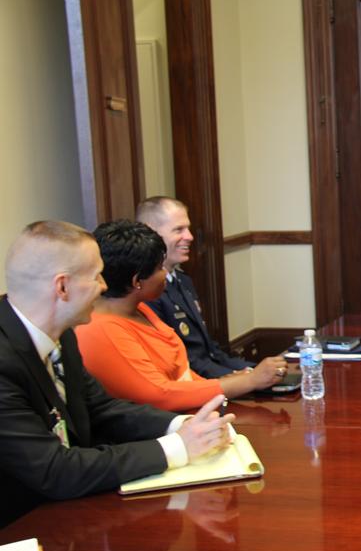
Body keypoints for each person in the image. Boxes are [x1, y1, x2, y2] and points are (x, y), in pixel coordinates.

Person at [0, 220, 234, 527]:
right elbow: (55, 470)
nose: (104, 286)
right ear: (62, 287)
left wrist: (183, 424)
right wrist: (178, 447)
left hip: (69, 515)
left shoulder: (63, 334)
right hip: (20, 531)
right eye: (96, 276)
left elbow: (101, 408)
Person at [75, 220, 286, 411]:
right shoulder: (101, 329)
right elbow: (160, 395)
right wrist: (249, 382)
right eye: (159, 268)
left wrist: (234, 381)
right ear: (137, 281)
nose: (166, 275)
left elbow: (183, 376)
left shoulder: (140, 308)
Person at [137, 196, 276, 378]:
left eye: (188, 229)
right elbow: (182, 363)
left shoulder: (182, 280)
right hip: (194, 387)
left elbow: (211, 352)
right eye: (179, 229)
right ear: (151, 232)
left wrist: (252, 370)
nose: (190, 237)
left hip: (215, 377)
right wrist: (243, 378)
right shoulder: (147, 292)